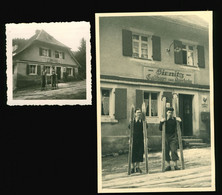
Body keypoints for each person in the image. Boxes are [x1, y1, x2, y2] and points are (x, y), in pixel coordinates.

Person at [159, 107, 182, 171]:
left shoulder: (175, 120)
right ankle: (168, 165)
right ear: (166, 113)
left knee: (174, 150)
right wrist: (161, 122)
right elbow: (160, 129)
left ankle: (175, 165)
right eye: (169, 112)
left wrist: (180, 121)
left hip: (173, 136)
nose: (170, 114)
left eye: (171, 112)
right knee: (166, 151)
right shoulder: (164, 120)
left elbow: (180, 128)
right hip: (166, 136)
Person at [128, 108, 147, 174]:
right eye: (138, 112)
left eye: (140, 113)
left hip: (140, 139)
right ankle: (133, 167)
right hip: (134, 139)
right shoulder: (132, 121)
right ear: (135, 114)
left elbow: (146, 128)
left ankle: (138, 167)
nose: (139, 114)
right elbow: (129, 129)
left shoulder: (142, 121)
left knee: (140, 153)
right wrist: (130, 139)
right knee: (133, 153)